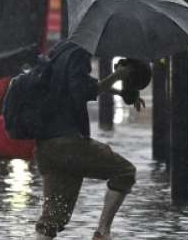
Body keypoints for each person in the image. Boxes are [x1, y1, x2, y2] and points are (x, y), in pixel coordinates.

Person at [34, 41, 145, 240]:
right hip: (68, 144)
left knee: (51, 221)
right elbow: (82, 91)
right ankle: (103, 232)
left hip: (47, 147)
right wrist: (118, 76)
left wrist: (120, 92)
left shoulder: (60, 51)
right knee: (125, 172)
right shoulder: (79, 54)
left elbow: (80, 84)